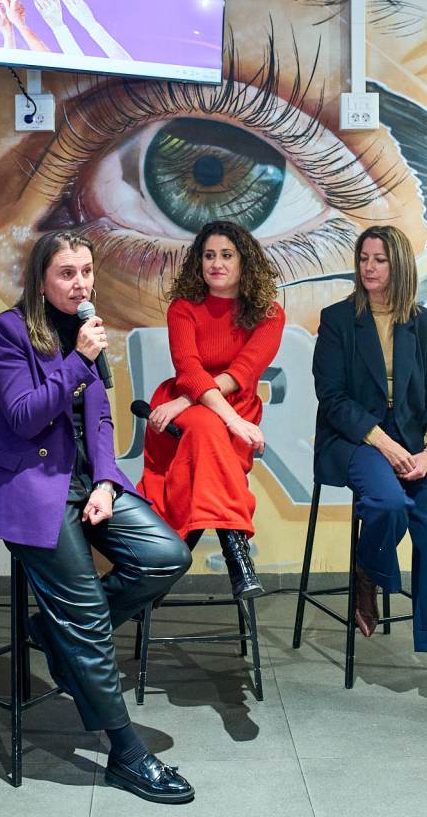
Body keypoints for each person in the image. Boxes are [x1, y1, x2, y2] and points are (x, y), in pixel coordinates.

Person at [0, 231, 195, 803]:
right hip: (32, 486)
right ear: (41, 279)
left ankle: (54, 632)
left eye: (87, 272)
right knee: (86, 615)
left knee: (167, 555)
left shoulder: (86, 329)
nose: (81, 284)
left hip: (90, 482)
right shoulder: (9, 331)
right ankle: (126, 754)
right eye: (67, 273)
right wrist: (78, 359)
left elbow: (102, 419)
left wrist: (109, 482)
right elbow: (23, 417)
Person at [312, 225, 427, 733]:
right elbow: (333, 399)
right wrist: (387, 445)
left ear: (398, 264)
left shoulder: (423, 323)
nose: (368, 267)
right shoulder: (338, 320)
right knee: (385, 504)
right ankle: (370, 569)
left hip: (417, 448)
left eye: (379, 259)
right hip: (358, 441)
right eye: (363, 257)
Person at [138, 220, 285, 600]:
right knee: (207, 428)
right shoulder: (183, 309)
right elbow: (188, 370)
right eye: (208, 256)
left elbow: (242, 373)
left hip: (218, 403)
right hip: (192, 409)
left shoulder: (269, 314)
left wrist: (191, 401)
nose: (216, 264)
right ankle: (238, 557)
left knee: (207, 441)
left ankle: (161, 571)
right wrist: (226, 419)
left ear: (244, 261)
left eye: (226, 255)